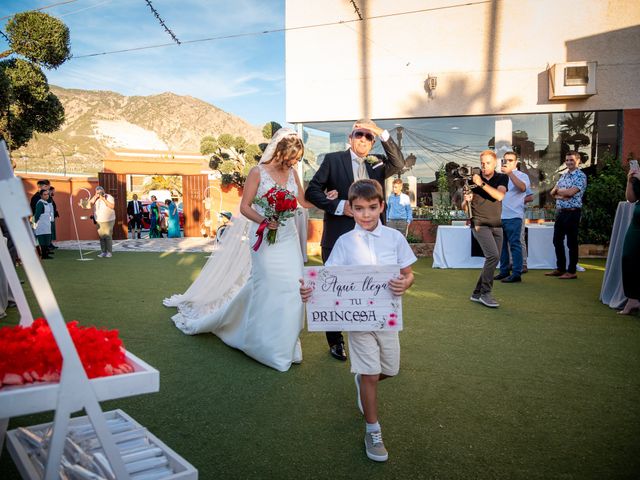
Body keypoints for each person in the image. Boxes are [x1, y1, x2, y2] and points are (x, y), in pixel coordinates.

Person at [169, 128, 315, 372]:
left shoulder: (292, 174)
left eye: (297, 159)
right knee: (267, 287)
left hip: (288, 239)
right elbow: (245, 207)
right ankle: (260, 344)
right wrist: (265, 221)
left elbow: (302, 201)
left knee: (293, 288)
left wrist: (329, 200)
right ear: (279, 152)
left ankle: (285, 345)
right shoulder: (258, 172)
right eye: (291, 158)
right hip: (265, 241)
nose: (294, 163)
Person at [300, 179, 416, 462]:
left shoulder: (395, 238)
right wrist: (309, 291)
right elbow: (327, 279)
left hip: (386, 318)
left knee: (389, 370)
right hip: (357, 320)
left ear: (381, 207)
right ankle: (373, 429)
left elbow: (408, 272)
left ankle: (363, 382)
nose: (366, 214)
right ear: (350, 209)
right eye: (360, 208)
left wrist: (406, 283)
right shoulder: (344, 242)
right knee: (370, 374)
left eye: (372, 208)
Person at [305, 119, 405, 361]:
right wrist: (339, 205)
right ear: (350, 138)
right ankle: (336, 341)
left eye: (368, 136)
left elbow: (399, 163)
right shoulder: (333, 160)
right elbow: (312, 192)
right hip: (338, 236)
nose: (363, 139)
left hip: (372, 241)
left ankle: (373, 332)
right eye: (359, 134)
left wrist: (380, 131)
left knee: (371, 288)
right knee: (333, 290)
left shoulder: (378, 166)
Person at [463, 150, 508, 308]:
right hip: (479, 223)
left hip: (497, 224)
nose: (484, 166)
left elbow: (499, 196)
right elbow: (464, 208)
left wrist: (481, 183)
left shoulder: (501, 177)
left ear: (494, 163)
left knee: (494, 258)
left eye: (487, 163)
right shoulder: (471, 180)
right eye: (482, 163)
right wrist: (466, 200)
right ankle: (485, 293)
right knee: (493, 256)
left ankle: (476, 293)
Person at [545, 151, 587, 279]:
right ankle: (560, 268)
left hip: (573, 212)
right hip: (560, 212)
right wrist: (562, 193)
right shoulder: (563, 176)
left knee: (571, 243)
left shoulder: (580, 176)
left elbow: (570, 192)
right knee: (557, 240)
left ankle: (572, 271)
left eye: (572, 160)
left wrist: (561, 192)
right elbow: (552, 192)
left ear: (578, 161)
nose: (569, 162)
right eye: (567, 160)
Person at [494, 151, 531, 283]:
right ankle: (504, 271)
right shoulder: (498, 176)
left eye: (510, 160)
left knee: (515, 245)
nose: (507, 162)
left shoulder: (523, 176)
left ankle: (516, 273)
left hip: (514, 216)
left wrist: (510, 173)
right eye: (505, 160)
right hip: (499, 216)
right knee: (502, 246)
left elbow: (522, 188)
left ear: (516, 162)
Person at [619, 168, 640, 315]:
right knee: (628, 256)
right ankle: (632, 299)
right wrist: (629, 180)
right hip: (637, 221)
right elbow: (631, 198)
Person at [89, 186, 116, 258]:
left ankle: (109, 252)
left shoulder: (109, 197)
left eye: (100, 192)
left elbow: (112, 206)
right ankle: (103, 252)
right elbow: (89, 206)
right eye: (97, 192)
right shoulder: (95, 198)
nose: (99, 193)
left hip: (109, 220)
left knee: (107, 236)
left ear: (103, 191)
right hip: (99, 220)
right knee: (101, 237)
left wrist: (103, 199)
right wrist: (95, 197)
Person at [33, 189, 54, 259]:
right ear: (41, 195)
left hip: (47, 224)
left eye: (47, 194)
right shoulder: (40, 203)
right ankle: (44, 255)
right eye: (45, 194)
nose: (47, 196)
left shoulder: (46, 203)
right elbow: (37, 214)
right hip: (41, 225)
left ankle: (46, 254)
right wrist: (35, 223)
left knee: (47, 239)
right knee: (42, 240)